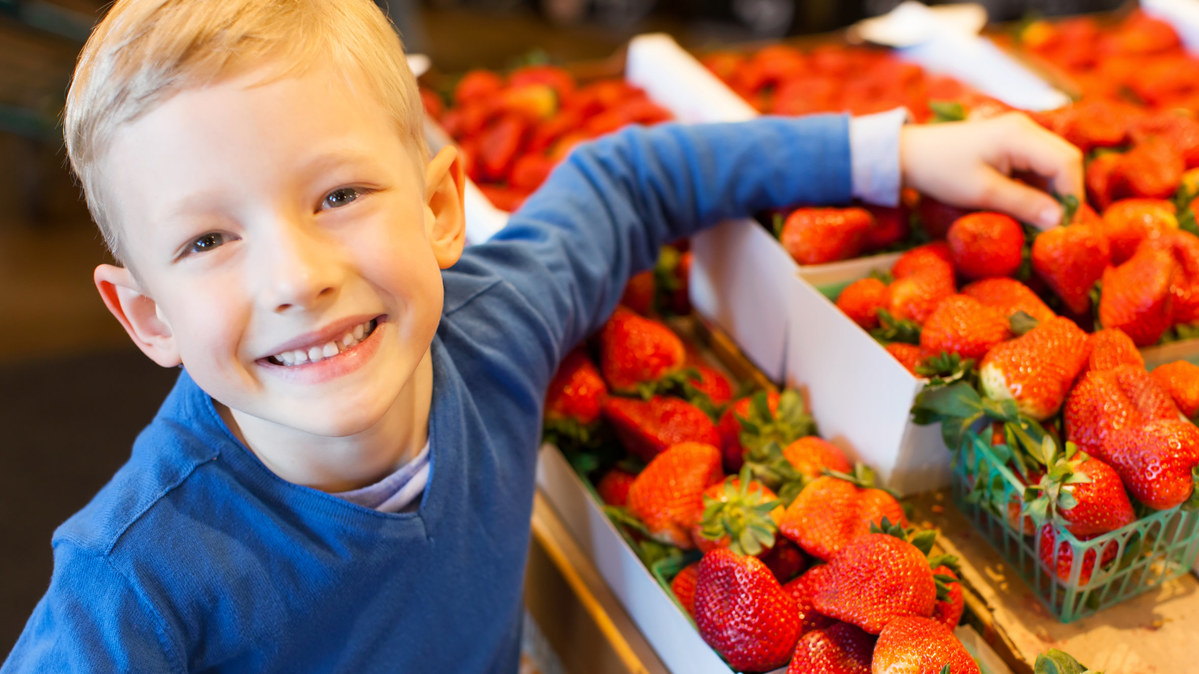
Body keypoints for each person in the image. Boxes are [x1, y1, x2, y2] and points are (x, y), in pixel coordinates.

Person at [3, 0, 1080, 671]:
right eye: (205, 242)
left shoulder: (489, 329)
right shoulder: (128, 579)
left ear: (439, 210)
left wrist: (885, 153)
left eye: (336, 195)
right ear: (143, 314)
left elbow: (627, 175)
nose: (297, 276)